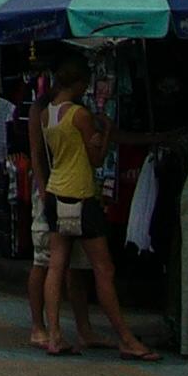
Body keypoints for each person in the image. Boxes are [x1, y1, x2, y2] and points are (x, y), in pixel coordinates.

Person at [39, 55, 154, 360]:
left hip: (55, 192)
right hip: (81, 194)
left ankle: (54, 335)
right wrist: (106, 135)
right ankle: (126, 338)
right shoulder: (79, 115)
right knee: (104, 269)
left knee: (56, 266)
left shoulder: (47, 115)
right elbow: (96, 159)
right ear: (78, 84)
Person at [24, 89, 102, 350]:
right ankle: (40, 326)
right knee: (45, 261)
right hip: (54, 191)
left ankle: (82, 328)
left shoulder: (68, 110)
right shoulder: (44, 109)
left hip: (68, 190)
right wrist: (43, 188)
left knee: (73, 265)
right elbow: (37, 152)